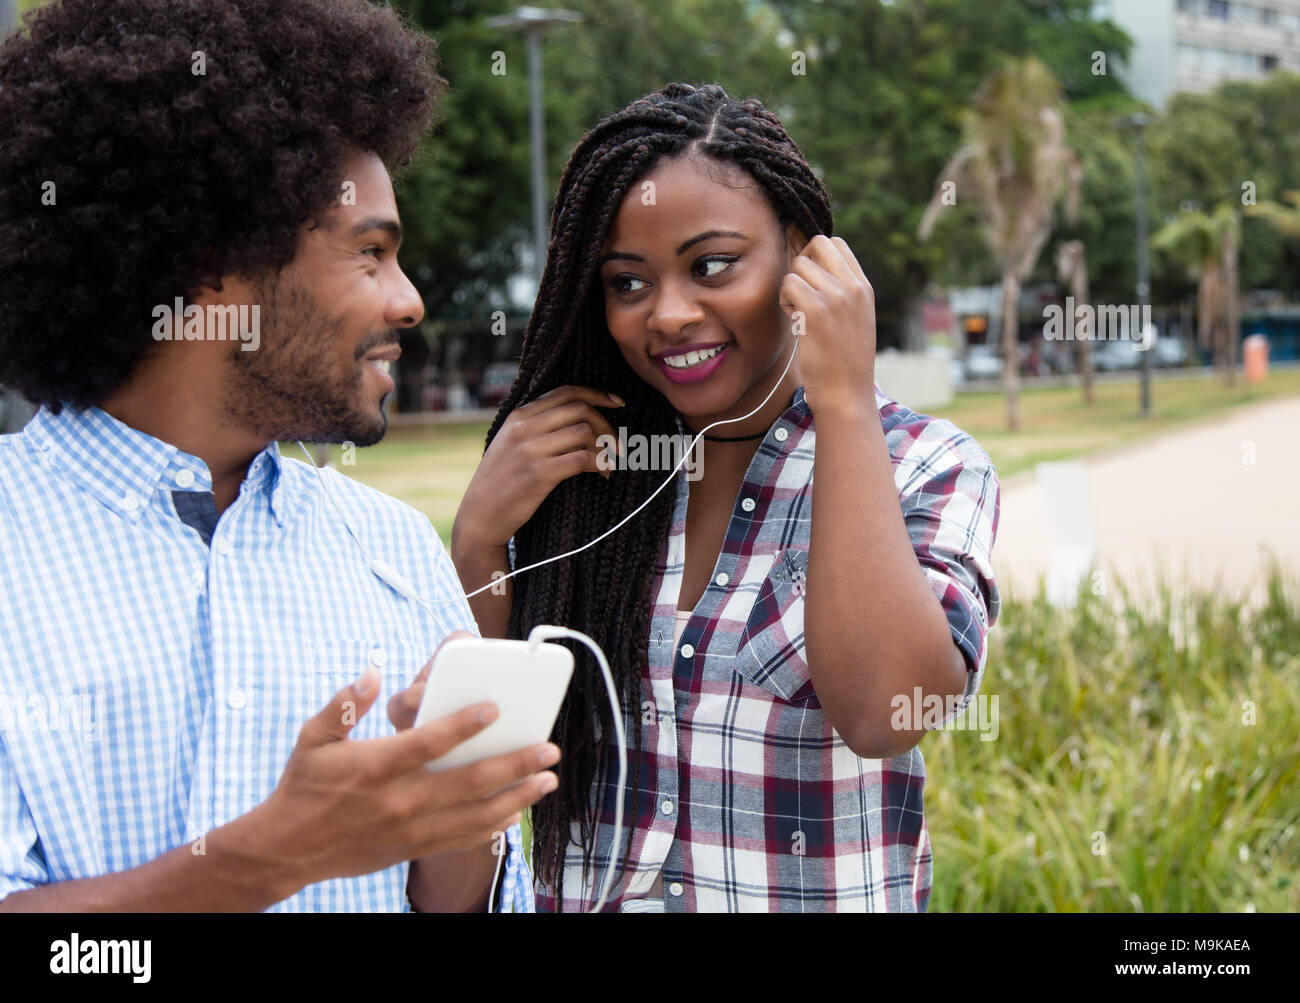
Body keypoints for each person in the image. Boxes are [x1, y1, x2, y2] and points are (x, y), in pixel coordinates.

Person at [0, 0, 558, 912]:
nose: (410, 300)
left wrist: (461, 814)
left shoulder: (394, 551)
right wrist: (269, 855)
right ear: (211, 264)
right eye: (369, 253)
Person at [452, 83, 1002, 912]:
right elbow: (479, 744)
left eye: (712, 265)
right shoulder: (589, 480)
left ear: (804, 255)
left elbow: (889, 711)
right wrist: (480, 539)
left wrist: (844, 399)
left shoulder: (924, 464)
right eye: (627, 283)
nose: (668, 314)